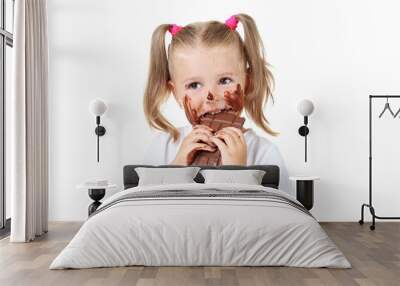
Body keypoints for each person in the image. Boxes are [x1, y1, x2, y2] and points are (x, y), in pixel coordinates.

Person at [142, 13, 291, 194]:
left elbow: (280, 216)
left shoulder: (264, 154)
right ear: (176, 94)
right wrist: (176, 169)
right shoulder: (162, 148)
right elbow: (144, 210)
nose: (210, 96)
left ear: (247, 83)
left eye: (225, 80)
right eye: (194, 85)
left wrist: (238, 173)